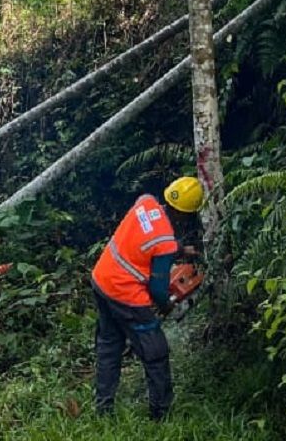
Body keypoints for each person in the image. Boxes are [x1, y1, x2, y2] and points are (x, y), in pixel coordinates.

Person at [90, 175, 204, 420]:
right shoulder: (164, 242)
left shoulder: (146, 202)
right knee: (156, 352)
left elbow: (146, 240)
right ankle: (161, 415)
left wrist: (180, 250)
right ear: (185, 214)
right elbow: (158, 289)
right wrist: (166, 306)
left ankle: (103, 408)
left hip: (101, 279)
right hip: (125, 294)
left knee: (109, 346)